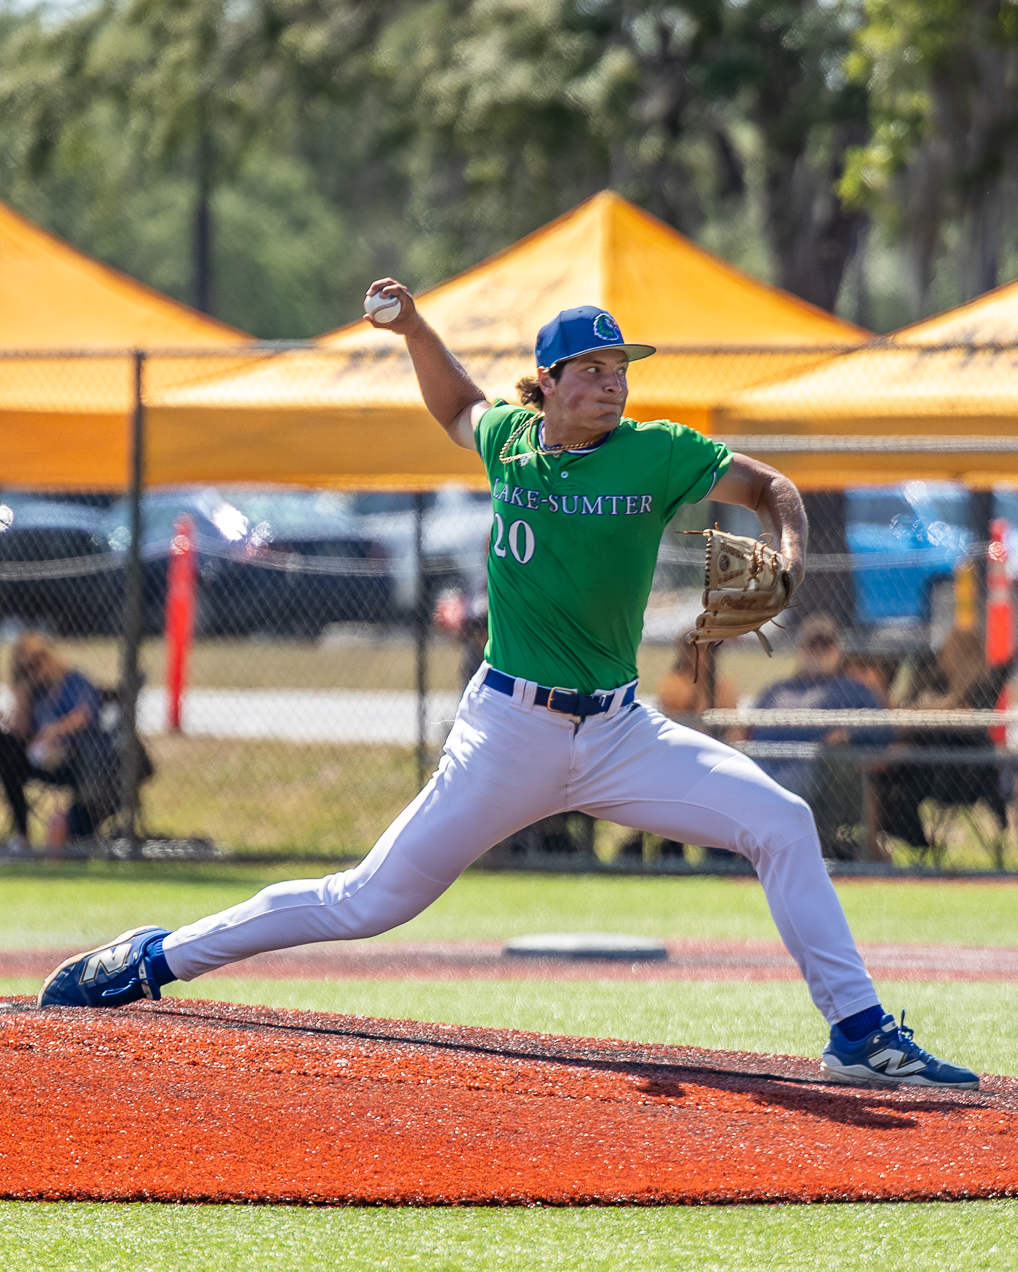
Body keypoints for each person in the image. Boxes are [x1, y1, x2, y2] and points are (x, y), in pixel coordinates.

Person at [38, 286, 977, 1090]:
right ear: (553, 381)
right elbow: (455, 406)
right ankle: (149, 960)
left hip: (619, 733)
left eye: (621, 367)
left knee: (780, 820)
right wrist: (413, 331)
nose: (613, 381)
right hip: (508, 732)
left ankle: (858, 1033)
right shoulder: (512, 443)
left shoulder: (656, 451)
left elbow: (774, 487)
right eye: (595, 367)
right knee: (366, 902)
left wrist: (789, 549)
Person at [749, 617, 892, 860]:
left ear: (837, 651)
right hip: (762, 761)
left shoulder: (853, 689)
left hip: (818, 769)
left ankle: (765, 849)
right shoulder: (777, 689)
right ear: (800, 650)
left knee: (776, 785)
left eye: (825, 645)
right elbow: (746, 731)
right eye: (811, 645)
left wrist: (846, 734)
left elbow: (884, 731)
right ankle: (724, 860)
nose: (818, 652)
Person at [875, 628, 1010, 856]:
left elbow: (964, 716)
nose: (941, 657)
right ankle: (893, 837)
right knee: (886, 778)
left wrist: (926, 711)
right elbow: (908, 709)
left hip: (966, 777)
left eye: (946, 652)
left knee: (917, 748)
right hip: (929, 771)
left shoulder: (984, 687)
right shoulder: (936, 683)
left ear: (960, 656)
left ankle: (913, 841)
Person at [1, 632, 116, 853]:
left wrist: (54, 732)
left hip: (77, 758)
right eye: (26, 668)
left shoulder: (74, 680)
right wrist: (23, 688)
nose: (34, 669)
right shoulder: (36, 690)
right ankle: (23, 836)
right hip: (40, 759)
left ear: (47, 655)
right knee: (6, 750)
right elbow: (20, 731)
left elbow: (83, 715)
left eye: (36, 661)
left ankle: (71, 834)